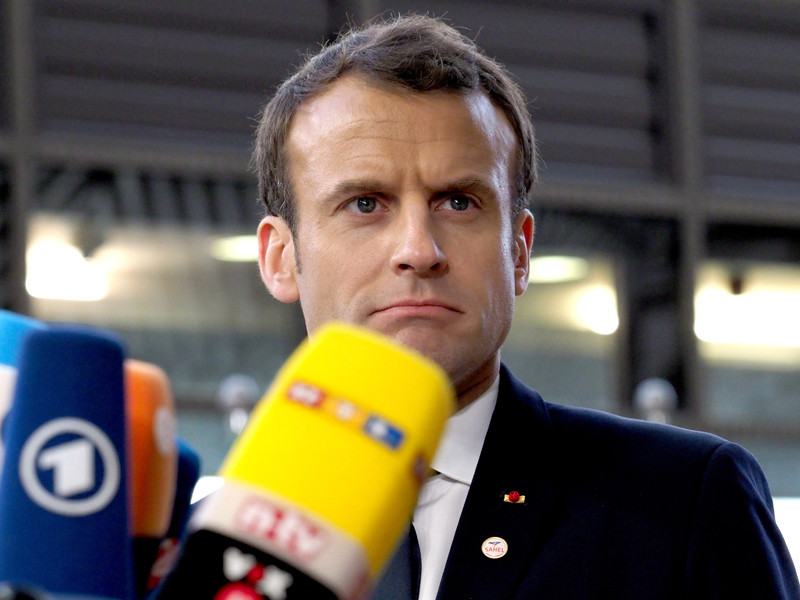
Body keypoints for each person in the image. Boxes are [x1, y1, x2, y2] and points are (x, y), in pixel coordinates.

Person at [252, 13, 799, 600]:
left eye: (458, 202)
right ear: (281, 258)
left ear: (519, 251)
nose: (419, 250)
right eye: (365, 204)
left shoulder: (681, 503)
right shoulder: (221, 548)